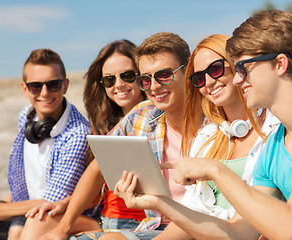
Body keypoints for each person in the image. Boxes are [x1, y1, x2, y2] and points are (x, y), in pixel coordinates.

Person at [152, 10, 292, 240]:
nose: (236, 79)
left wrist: (215, 169)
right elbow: (240, 233)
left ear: (280, 64)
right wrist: (159, 202)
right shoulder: (274, 145)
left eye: (243, 68)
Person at [20, 32, 190, 240]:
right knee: (37, 225)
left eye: (128, 76)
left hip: (150, 224)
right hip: (128, 223)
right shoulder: (136, 118)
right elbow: (95, 172)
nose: (118, 85)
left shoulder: (203, 125)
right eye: (109, 80)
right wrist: (62, 225)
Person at [111, 33, 280, 240]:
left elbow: (244, 231)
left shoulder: (276, 130)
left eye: (216, 69)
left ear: (238, 68)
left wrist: (214, 169)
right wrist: (155, 202)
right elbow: (192, 217)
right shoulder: (207, 137)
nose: (208, 82)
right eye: (199, 78)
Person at [0, 48, 96, 240]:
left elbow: (52, 201)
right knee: (15, 232)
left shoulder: (77, 134)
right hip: (31, 207)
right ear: (24, 88)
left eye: (53, 85)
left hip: (68, 213)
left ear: (65, 85)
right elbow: (27, 176)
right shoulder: (26, 116)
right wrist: (4, 203)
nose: (44, 93)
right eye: (35, 86)